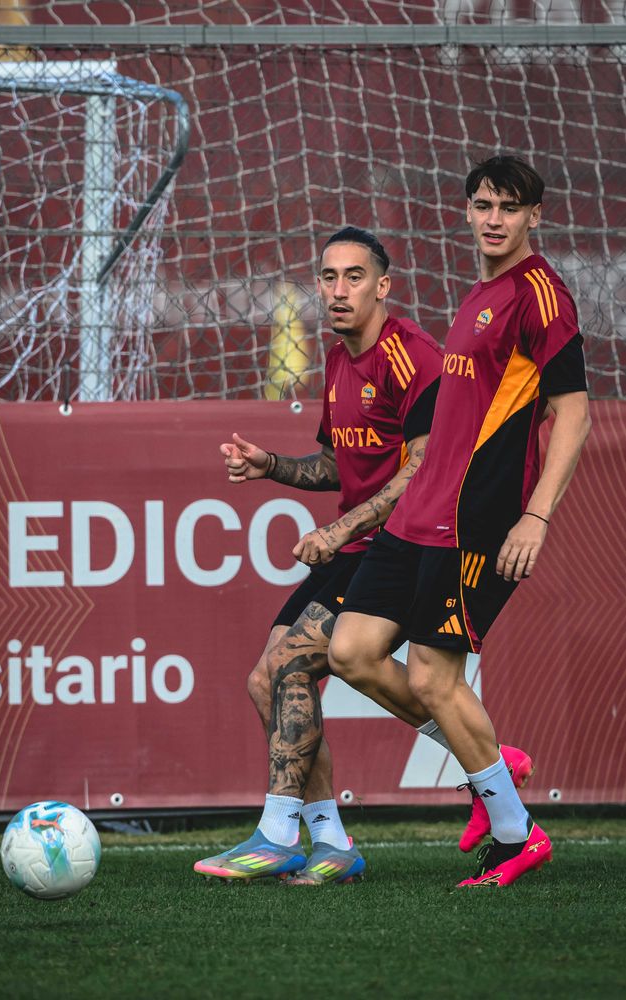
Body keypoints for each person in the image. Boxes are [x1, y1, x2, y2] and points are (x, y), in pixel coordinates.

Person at [194, 226, 532, 886]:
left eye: (354, 277)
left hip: (409, 544)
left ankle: (275, 831)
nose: (338, 290)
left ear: (382, 287)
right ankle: (332, 839)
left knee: (293, 661)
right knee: (268, 679)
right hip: (360, 546)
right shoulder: (337, 360)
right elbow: (335, 464)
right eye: (328, 277)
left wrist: (335, 531)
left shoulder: (413, 357)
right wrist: (269, 466)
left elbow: (419, 470)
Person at [327, 157, 591, 887]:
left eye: (509, 206)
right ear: (468, 210)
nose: (493, 218)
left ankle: (514, 834)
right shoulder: (480, 289)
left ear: (534, 214)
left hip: (478, 515)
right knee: (350, 651)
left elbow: (571, 412)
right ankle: (491, 769)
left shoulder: (541, 294)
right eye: (482, 204)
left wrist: (534, 517)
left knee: (435, 677)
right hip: (419, 510)